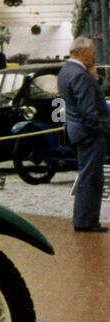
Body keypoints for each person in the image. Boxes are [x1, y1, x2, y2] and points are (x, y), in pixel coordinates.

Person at [57, 37, 110, 232]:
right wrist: (104, 130)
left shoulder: (66, 72)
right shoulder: (79, 74)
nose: (94, 58)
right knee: (92, 178)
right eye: (93, 53)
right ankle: (87, 221)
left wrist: (94, 78)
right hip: (90, 134)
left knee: (87, 176)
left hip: (78, 132)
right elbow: (89, 110)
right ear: (84, 53)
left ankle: (83, 219)